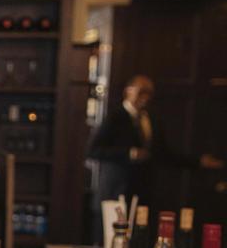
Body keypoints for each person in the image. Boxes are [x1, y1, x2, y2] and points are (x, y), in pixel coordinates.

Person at [88, 74, 222, 211]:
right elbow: (93, 151)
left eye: (149, 93)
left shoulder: (151, 119)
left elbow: (163, 153)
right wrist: (129, 153)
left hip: (142, 193)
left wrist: (198, 161)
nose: (145, 97)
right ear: (129, 91)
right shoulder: (114, 117)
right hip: (115, 193)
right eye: (141, 92)